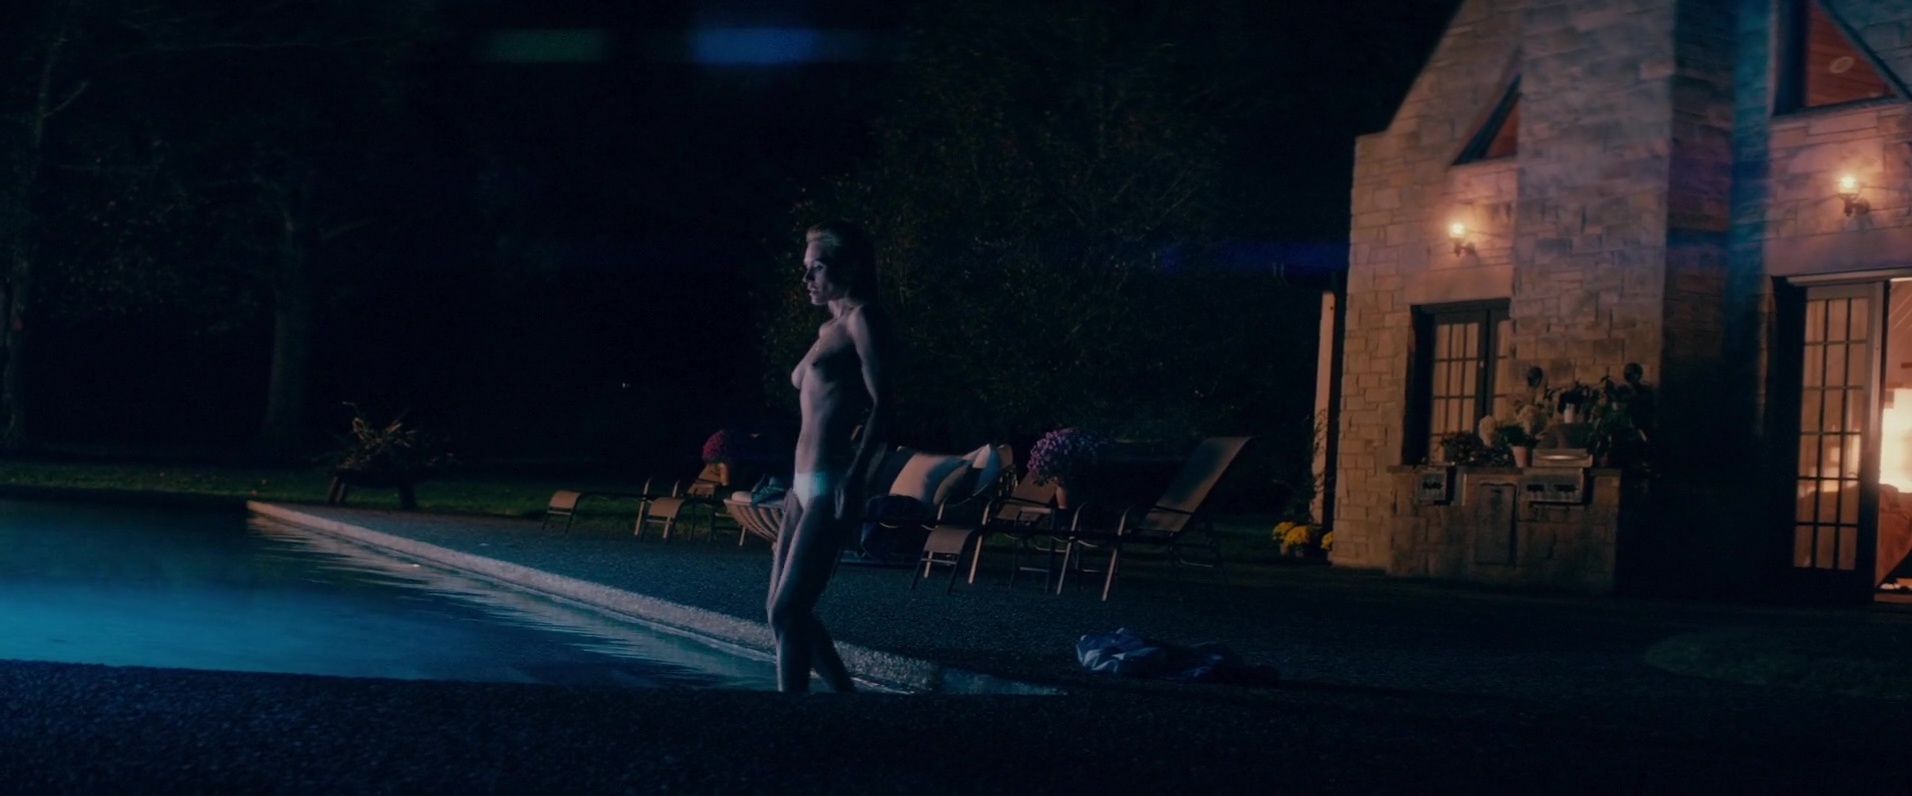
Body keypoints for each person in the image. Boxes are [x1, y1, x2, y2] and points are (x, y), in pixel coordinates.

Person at [766, 220, 894, 693]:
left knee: (788, 610)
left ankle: (795, 717)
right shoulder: (827, 328)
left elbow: (886, 405)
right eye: (806, 268)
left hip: (832, 479)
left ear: (849, 267)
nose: (806, 278)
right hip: (800, 485)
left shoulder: (864, 320)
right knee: (780, 612)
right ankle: (846, 703)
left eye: (817, 268)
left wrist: (857, 478)